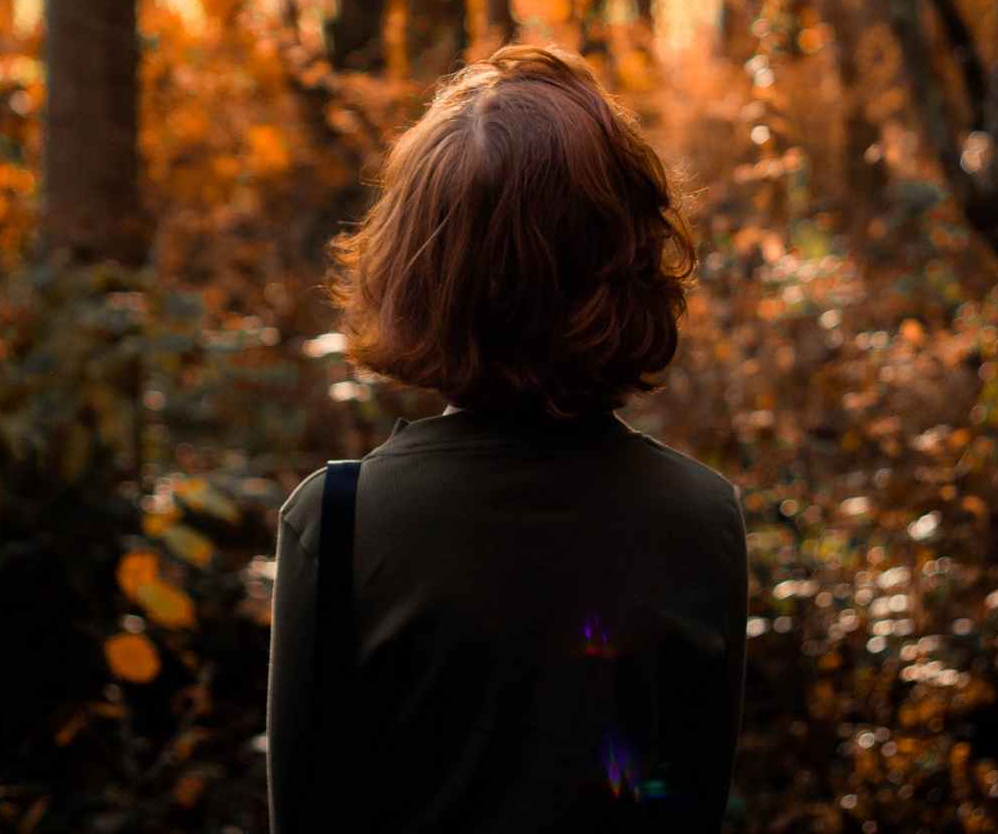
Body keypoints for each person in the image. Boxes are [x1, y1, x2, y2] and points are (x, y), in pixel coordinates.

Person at [266, 44, 749, 832]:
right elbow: (689, 806)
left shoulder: (338, 524)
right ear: (626, 259)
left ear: (418, 273)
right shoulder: (701, 518)